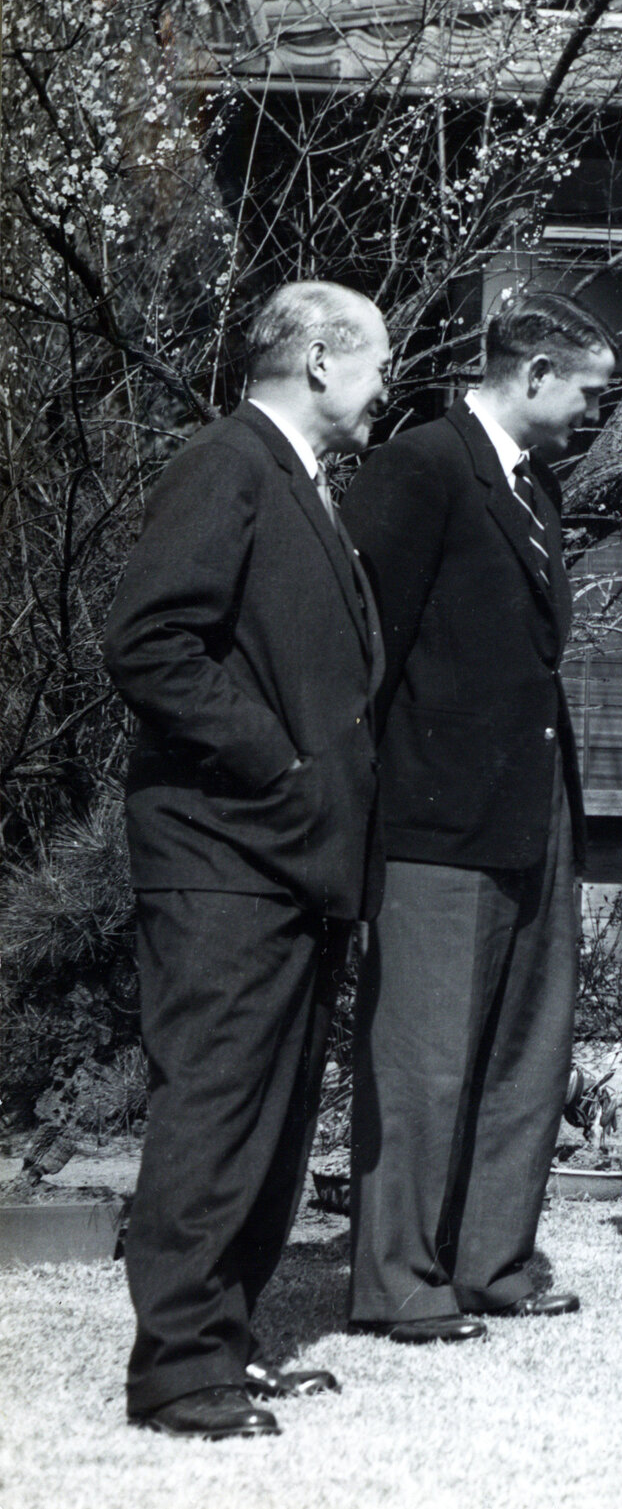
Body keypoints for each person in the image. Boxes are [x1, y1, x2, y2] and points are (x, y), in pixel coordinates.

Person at [105, 282, 389, 1438]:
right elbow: (149, 639)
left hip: (285, 860)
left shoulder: (295, 483)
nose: (386, 386)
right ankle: (178, 1370)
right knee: (217, 1112)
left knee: (268, 1122)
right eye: (376, 362)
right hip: (224, 856)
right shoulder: (228, 465)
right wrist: (277, 764)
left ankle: (222, 1341)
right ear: (320, 360)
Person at [341, 289, 616, 1342]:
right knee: (424, 1060)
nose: (595, 410)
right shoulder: (419, 468)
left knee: (524, 1047)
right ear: (533, 375)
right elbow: (365, 660)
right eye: (587, 392)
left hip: (532, 813)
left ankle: (491, 1259)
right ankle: (400, 1282)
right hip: (435, 821)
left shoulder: (530, 484)